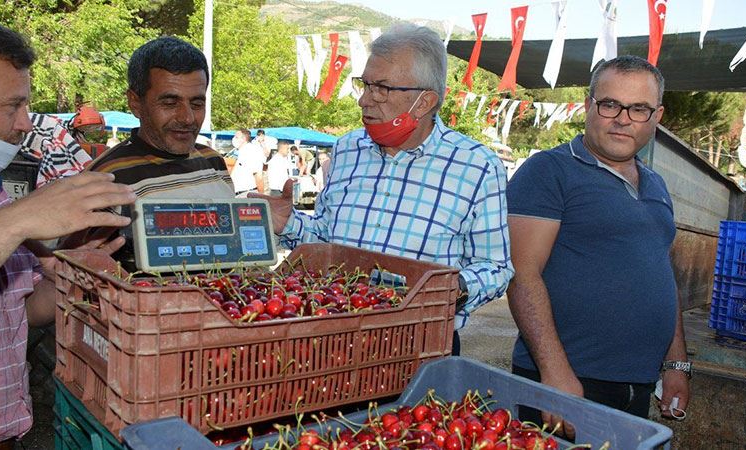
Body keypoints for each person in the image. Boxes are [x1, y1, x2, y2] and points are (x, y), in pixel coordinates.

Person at [252, 24, 513, 351]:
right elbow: (327, 240)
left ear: (424, 102)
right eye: (365, 85)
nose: (364, 100)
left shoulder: (477, 167)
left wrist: (453, 288)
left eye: (382, 88)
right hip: (331, 335)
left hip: (421, 345)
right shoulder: (346, 150)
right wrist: (287, 223)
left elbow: (496, 267)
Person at [506, 55, 690, 436]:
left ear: (656, 117)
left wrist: (676, 364)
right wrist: (555, 373)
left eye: (638, 108)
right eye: (610, 104)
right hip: (567, 381)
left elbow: (661, 275)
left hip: (636, 385)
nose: (623, 118)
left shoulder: (656, 185)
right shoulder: (548, 172)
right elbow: (522, 274)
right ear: (589, 106)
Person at [0, 21, 136, 448]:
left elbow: (17, 313)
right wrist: (21, 219)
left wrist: (65, 276)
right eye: (11, 106)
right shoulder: (9, 213)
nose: (24, 124)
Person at [88, 36, 234, 271]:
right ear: (136, 103)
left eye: (196, 104)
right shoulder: (105, 178)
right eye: (169, 103)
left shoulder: (214, 163)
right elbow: (88, 271)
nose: (187, 118)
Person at [230, 128, 265, 196]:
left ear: (243, 139)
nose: (234, 139)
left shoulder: (252, 150)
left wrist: (262, 196)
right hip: (236, 194)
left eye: (236, 137)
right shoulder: (237, 152)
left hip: (246, 193)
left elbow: (258, 175)